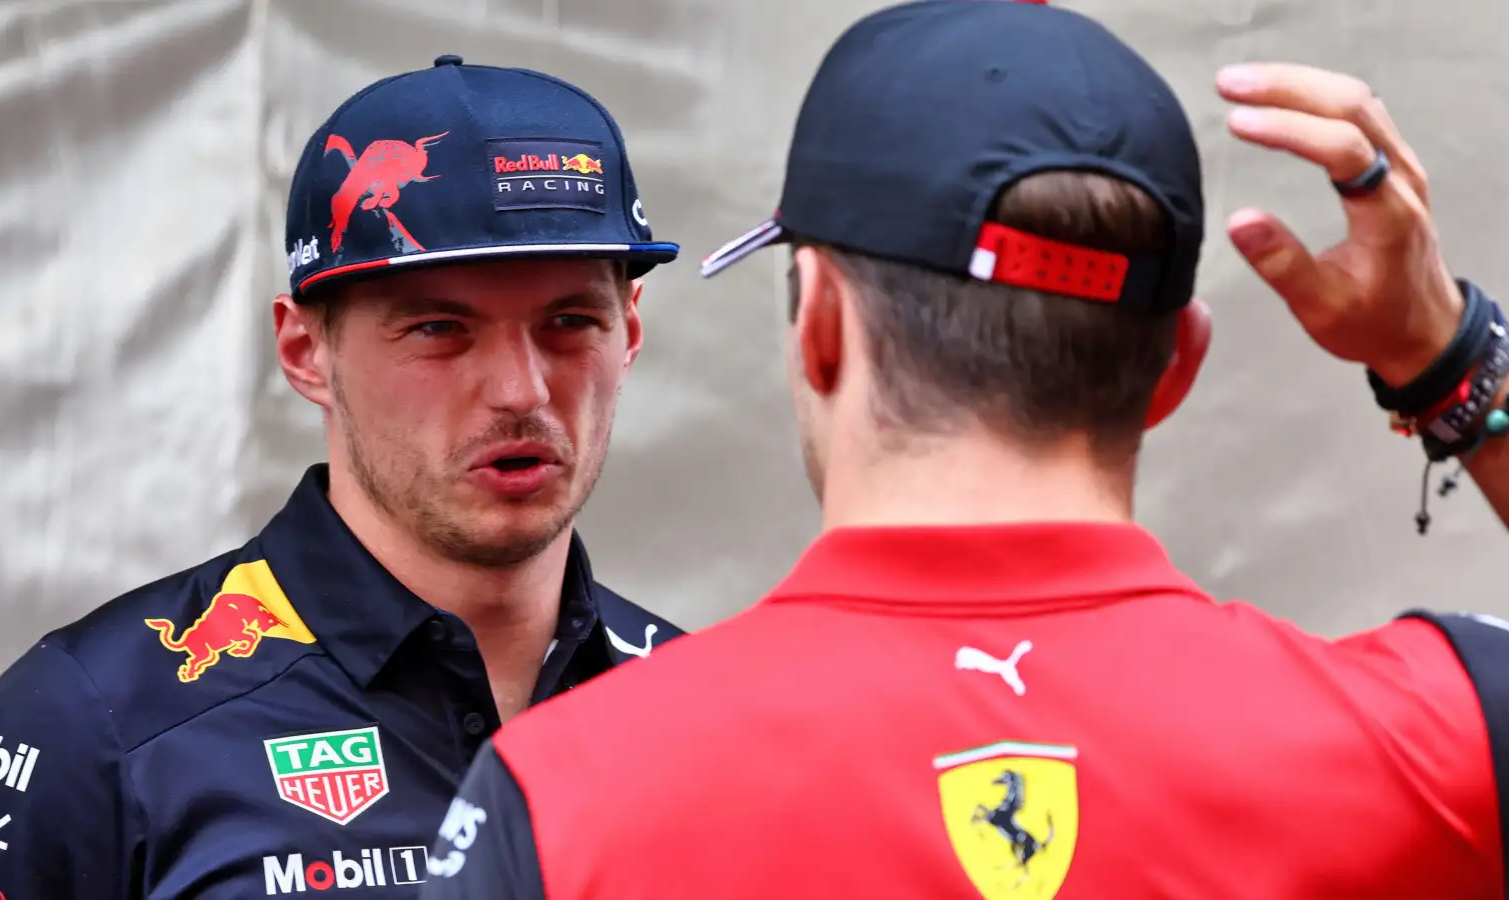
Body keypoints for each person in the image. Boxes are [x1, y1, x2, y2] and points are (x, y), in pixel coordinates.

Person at [420, 3, 1509, 899]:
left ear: (821, 325)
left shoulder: (562, 801)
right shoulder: (1438, 739)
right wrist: (1449, 359)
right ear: (1179, 363)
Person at [0, 54, 685, 899]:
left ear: (631, 333)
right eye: (439, 328)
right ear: (304, 352)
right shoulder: (90, 727)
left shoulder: (706, 714)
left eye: (570, 321)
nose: (520, 389)